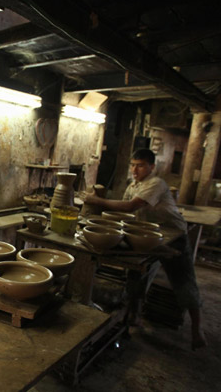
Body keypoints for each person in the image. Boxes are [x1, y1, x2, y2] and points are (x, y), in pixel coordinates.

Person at [84, 148, 206, 350]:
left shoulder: (156, 184)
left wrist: (97, 201)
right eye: (133, 164)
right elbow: (125, 213)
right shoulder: (133, 186)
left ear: (151, 167)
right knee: (136, 274)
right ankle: (134, 316)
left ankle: (197, 330)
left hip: (172, 236)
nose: (135, 169)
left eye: (140, 165)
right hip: (146, 236)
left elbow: (131, 206)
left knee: (183, 280)